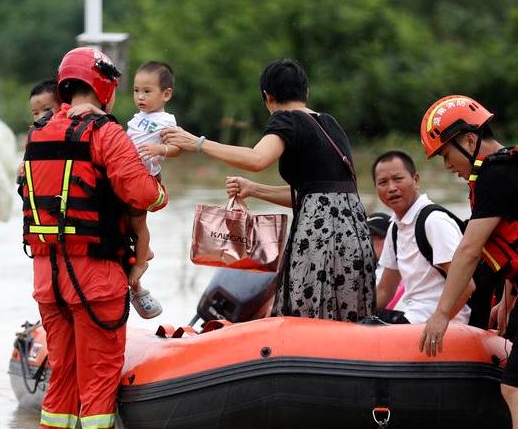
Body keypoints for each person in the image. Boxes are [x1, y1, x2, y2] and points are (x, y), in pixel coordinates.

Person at [19, 47, 168, 429]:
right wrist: (161, 192)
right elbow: (143, 194)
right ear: (104, 87)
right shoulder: (106, 133)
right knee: (99, 381)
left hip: (48, 279)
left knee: (61, 379)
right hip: (96, 278)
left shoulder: (36, 135)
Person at [166, 58, 376, 322]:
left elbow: (257, 159)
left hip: (319, 236)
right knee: (347, 319)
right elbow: (314, 196)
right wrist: (253, 189)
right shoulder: (330, 124)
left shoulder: (286, 120)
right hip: (353, 233)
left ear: (268, 97)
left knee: (305, 318)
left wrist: (197, 143)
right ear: (306, 92)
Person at [417, 95, 518, 426]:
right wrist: (507, 299)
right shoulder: (506, 169)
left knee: (514, 388)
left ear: (470, 140)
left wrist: (442, 314)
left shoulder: (495, 174)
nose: (447, 166)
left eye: (446, 155)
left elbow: (469, 250)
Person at [66, 61, 182, 319]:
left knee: (138, 223)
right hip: (126, 175)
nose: (140, 97)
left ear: (166, 94)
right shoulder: (138, 118)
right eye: (136, 91)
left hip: (142, 176)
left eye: (147, 92)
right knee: (124, 224)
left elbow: (178, 147)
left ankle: (141, 263)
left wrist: (160, 149)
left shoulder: (166, 121)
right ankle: (140, 266)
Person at [372, 150, 473, 324]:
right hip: (413, 317)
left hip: (445, 324)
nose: (391, 188)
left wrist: (439, 320)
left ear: (415, 180)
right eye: (383, 182)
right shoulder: (395, 228)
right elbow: (384, 291)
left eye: (398, 179)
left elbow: (467, 286)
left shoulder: (434, 221)